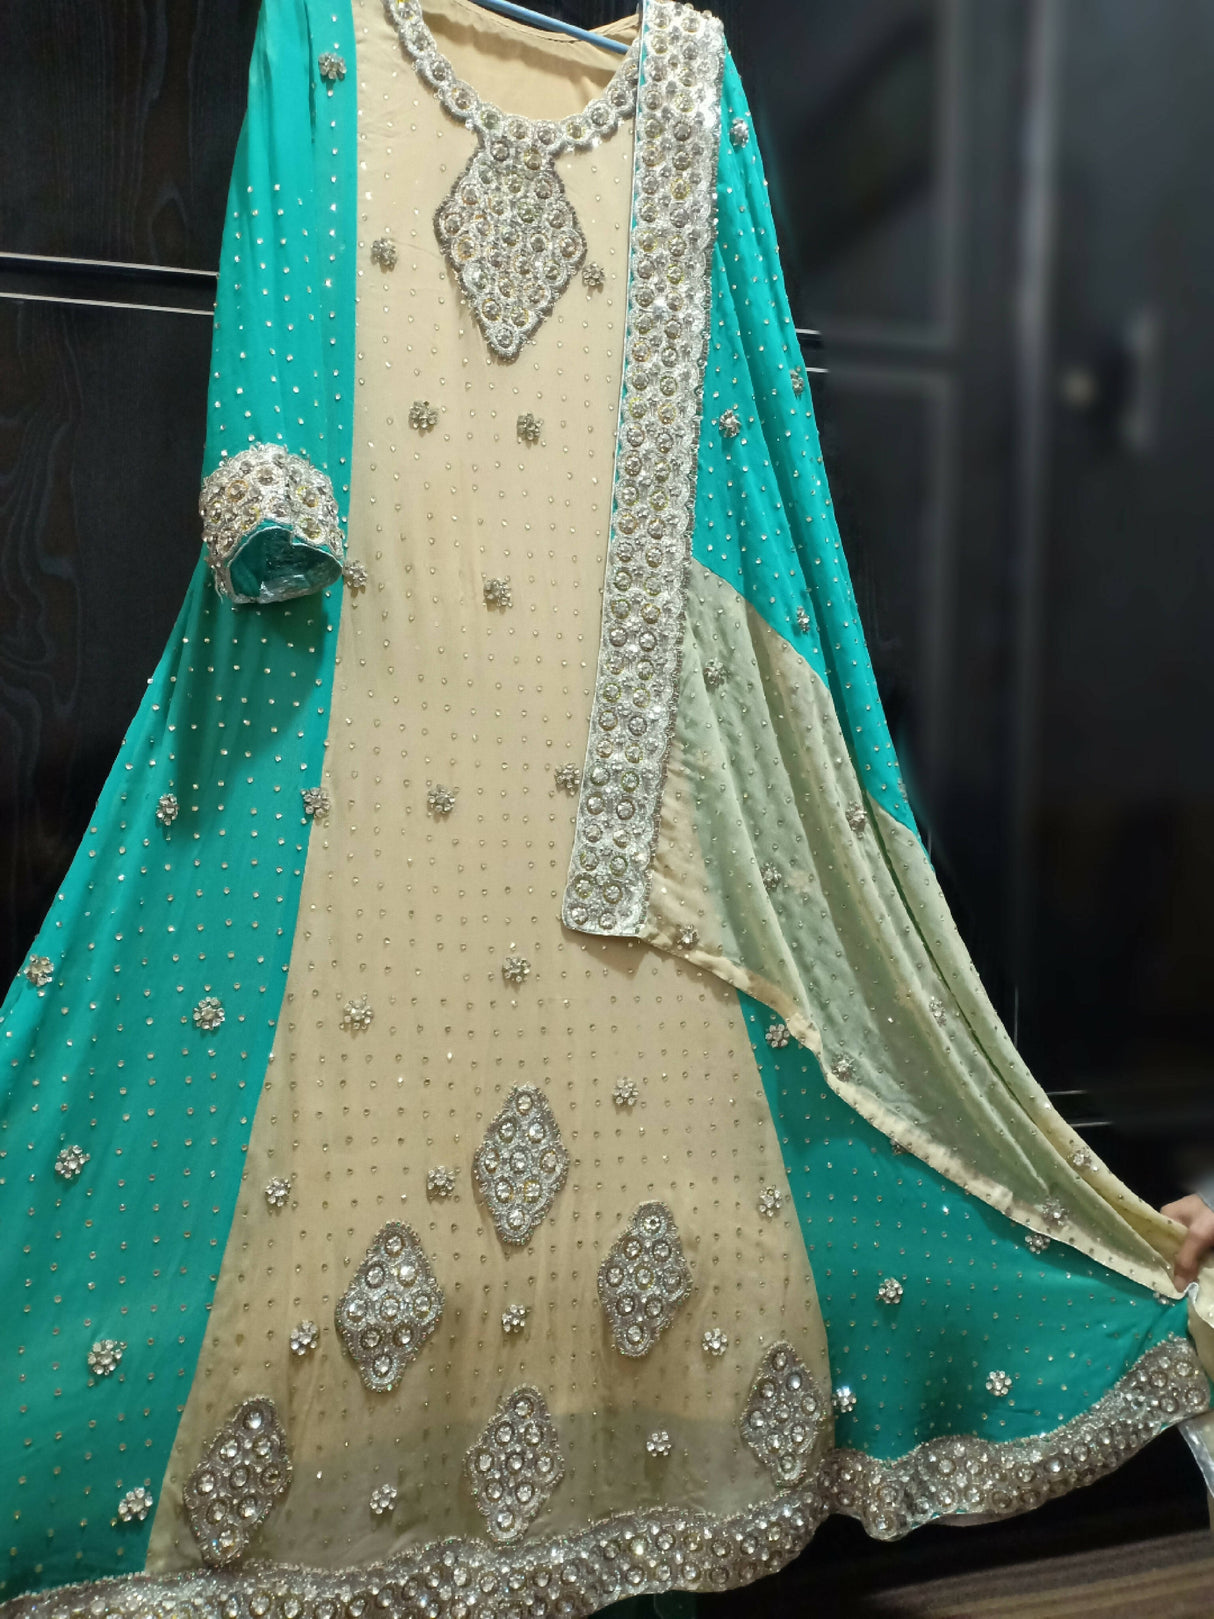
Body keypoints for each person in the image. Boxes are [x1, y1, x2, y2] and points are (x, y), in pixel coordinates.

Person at [1, 2, 1211, 1615]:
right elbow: (277, 372)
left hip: (631, 758)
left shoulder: (693, 91)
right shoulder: (324, 30)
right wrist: (272, 495)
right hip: (367, 675)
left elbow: (753, 427)